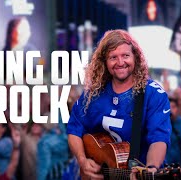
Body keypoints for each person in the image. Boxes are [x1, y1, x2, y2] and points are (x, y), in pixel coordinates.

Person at [67, 29, 171, 179]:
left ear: (135, 57)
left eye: (125, 56)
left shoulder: (153, 94)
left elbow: (159, 138)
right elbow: (74, 129)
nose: (120, 62)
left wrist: (151, 167)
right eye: (113, 57)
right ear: (104, 62)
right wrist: (82, 160)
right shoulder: (93, 93)